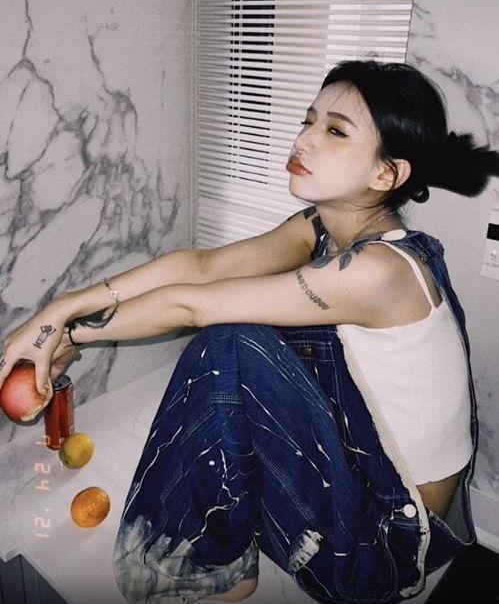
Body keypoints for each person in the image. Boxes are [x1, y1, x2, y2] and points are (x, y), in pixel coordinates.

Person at [1, 60, 498, 603]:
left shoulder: (382, 271)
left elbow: (193, 305)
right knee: (249, 327)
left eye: (335, 131)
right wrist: (64, 308)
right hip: (360, 477)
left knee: (232, 342)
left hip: (382, 549)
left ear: (386, 175)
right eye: (308, 120)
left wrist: (65, 333)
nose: (303, 139)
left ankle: (201, 574)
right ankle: (231, 558)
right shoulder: (324, 227)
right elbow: (206, 267)